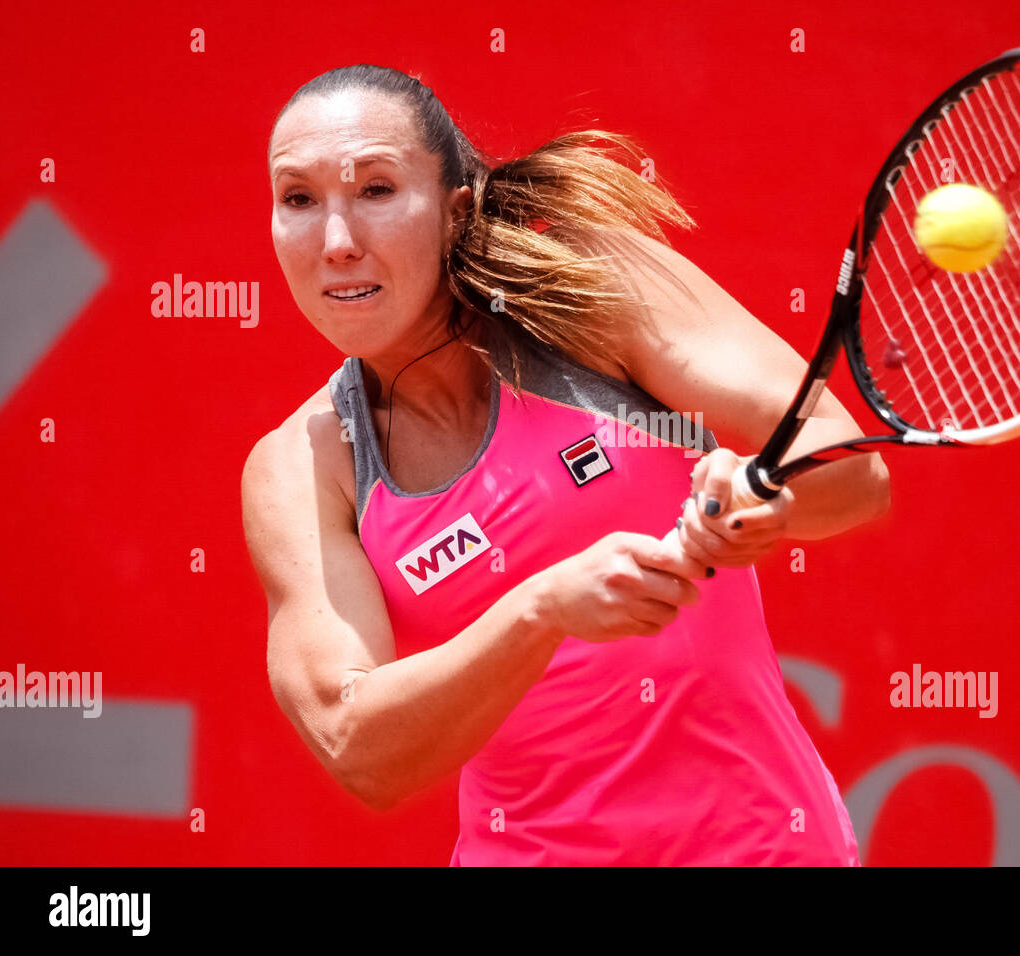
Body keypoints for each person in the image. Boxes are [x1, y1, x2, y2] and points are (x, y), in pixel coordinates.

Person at [242, 64, 890, 865]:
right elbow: (359, 747)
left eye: (377, 189)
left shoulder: (591, 288)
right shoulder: (302, 466)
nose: (337, 243)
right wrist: (542, 609)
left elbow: (853, 469)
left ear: (454, 211)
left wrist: (767, 497)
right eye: (298, 199)